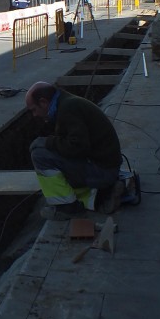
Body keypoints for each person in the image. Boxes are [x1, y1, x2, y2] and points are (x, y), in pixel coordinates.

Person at [25, 81, 124, 220]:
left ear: (43, 102)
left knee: (40, 155)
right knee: (53, 163)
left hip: (103, 171)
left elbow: (77, 148)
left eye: (34, 109)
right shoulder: (65, 102)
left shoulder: (68, 108)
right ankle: (102, 196)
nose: (34, 115)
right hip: (106, 167)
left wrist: (47, 142)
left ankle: (67, 208)